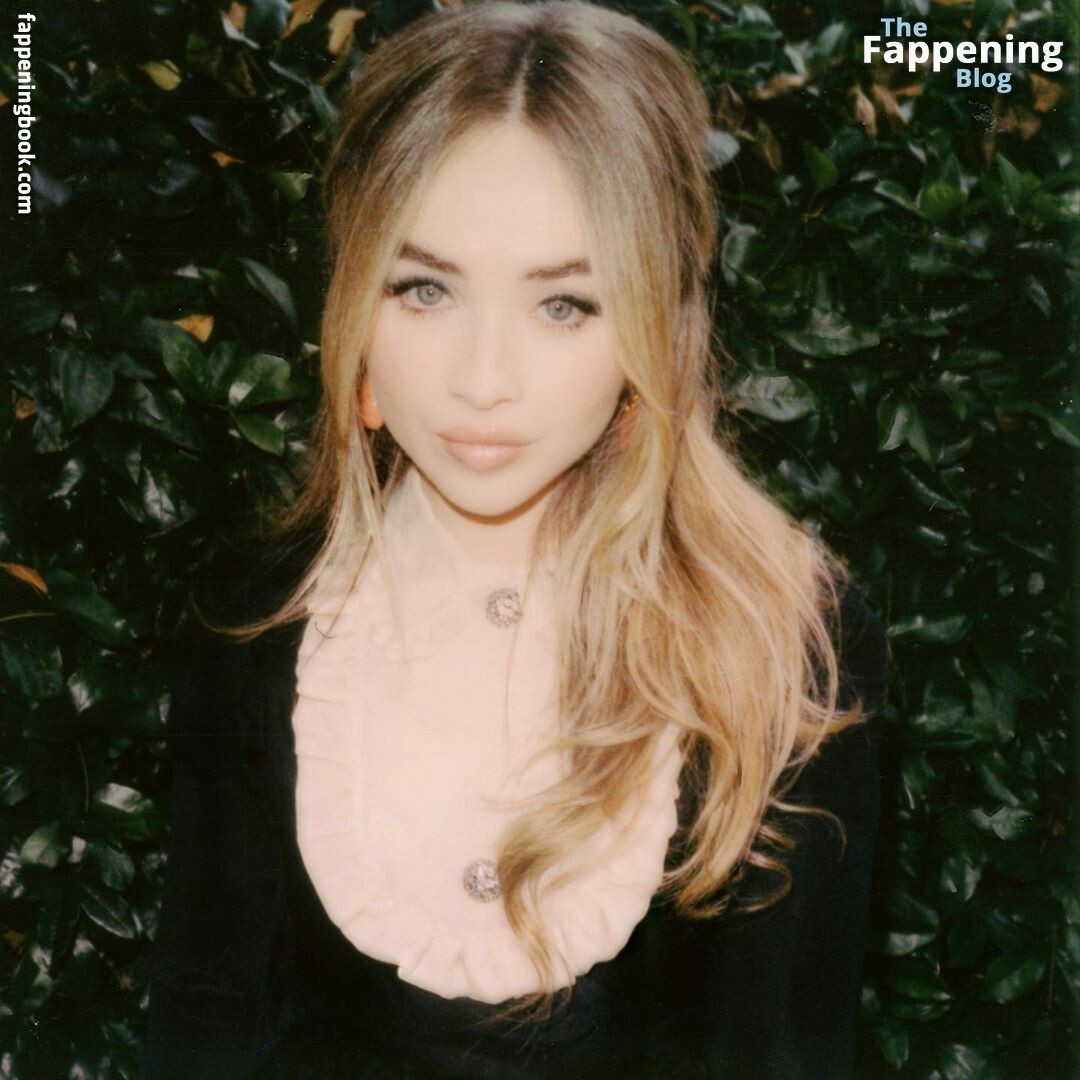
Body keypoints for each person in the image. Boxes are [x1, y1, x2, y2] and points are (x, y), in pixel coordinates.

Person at [139, 2, 890, 1077]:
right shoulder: (254, 624)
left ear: (657, 326)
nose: (482, 380)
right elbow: (203, 1032)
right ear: (353, 303)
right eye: (426, 289)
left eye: (564, 305)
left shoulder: (791, 644)